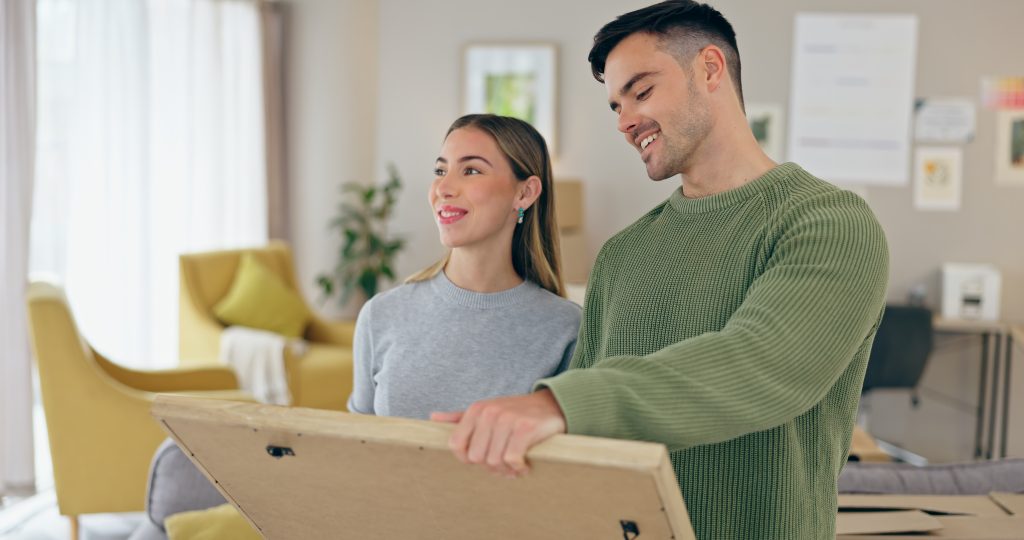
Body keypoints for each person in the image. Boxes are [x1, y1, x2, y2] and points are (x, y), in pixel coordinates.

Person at [430, 1, 890, 537]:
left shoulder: (829, 222)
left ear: (711, 69)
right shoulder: (624, 254)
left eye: (642, 92)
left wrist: (559, 404)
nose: (626, 122)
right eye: (616, 106)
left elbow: (761, 364)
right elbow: (592, 452)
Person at [347, 114, 581, 422]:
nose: (443, 187)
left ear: (524, 193)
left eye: (471, 170)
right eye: (440, 170)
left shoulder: (566, 328)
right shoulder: (381, 315)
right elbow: (357, 446)